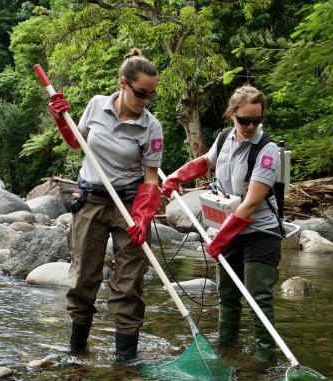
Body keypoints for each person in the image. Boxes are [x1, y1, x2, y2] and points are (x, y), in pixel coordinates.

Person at [48, 48, 163, 360]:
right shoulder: (97, 104)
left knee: (128, 284)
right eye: (141, 93)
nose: (145, 101)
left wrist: (143, 216)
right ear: (123, 84)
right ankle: (76, 352)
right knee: (84, 276)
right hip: (91, 200)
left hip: (129, 204)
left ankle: (125, 361)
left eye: (151, 95)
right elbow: (76, 143)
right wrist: (60, 118)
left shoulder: (152, 127)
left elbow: (151, 178)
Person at [162, 85, 281, 362]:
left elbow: (250, 204)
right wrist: (177, 177)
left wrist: (219, 240)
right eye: (245, 120)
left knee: (258, 299)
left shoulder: (267, 151)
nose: (251, 126)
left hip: (260, 233)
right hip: (230, 231)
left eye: (257, 120)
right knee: (227, 296)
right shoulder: (224, 137)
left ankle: (265, 359)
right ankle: (227, 350)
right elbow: (205, 162)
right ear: (232, 115)